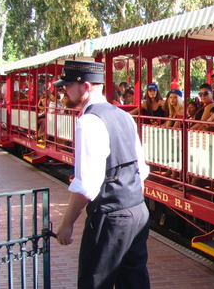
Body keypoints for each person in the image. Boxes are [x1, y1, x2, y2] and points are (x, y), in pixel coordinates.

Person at [54, 60, 150, 289]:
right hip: (137, 210)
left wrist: (66, 223)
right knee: (134, 282)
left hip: (111, 217)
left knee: (95, 282)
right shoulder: (123, 116)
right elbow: (141, 169)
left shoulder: (89, 122)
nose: (64, 91)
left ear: (86, 87)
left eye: (67, 86)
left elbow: (87, 185)